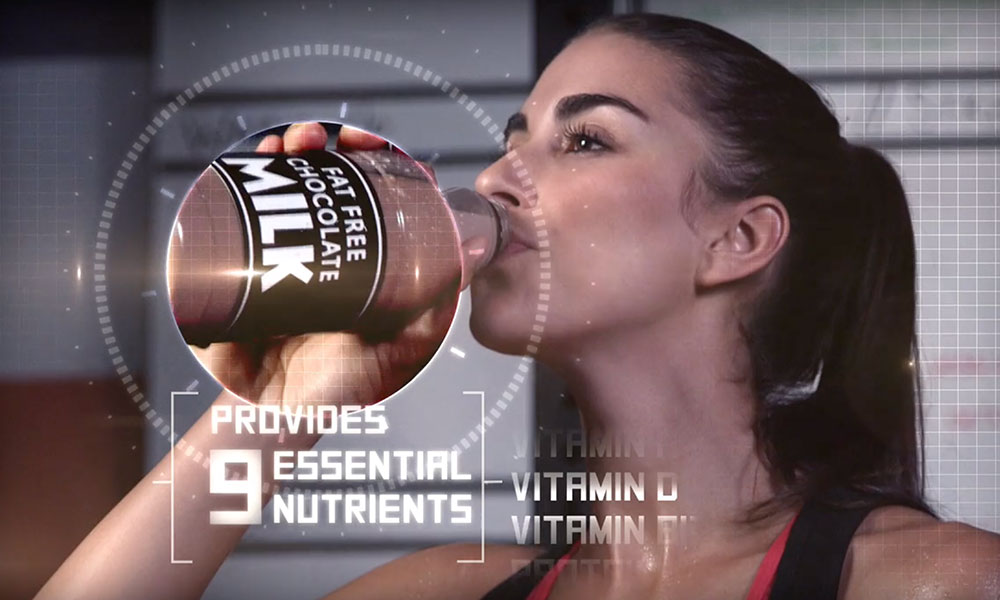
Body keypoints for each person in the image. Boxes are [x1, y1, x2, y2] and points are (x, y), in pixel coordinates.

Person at [39, 13, 1000, 600]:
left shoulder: (929, 583)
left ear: (735, 240)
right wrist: (280, 404)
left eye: (585, 142)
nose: (498, 175)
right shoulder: (453, 587)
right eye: (514, 137)